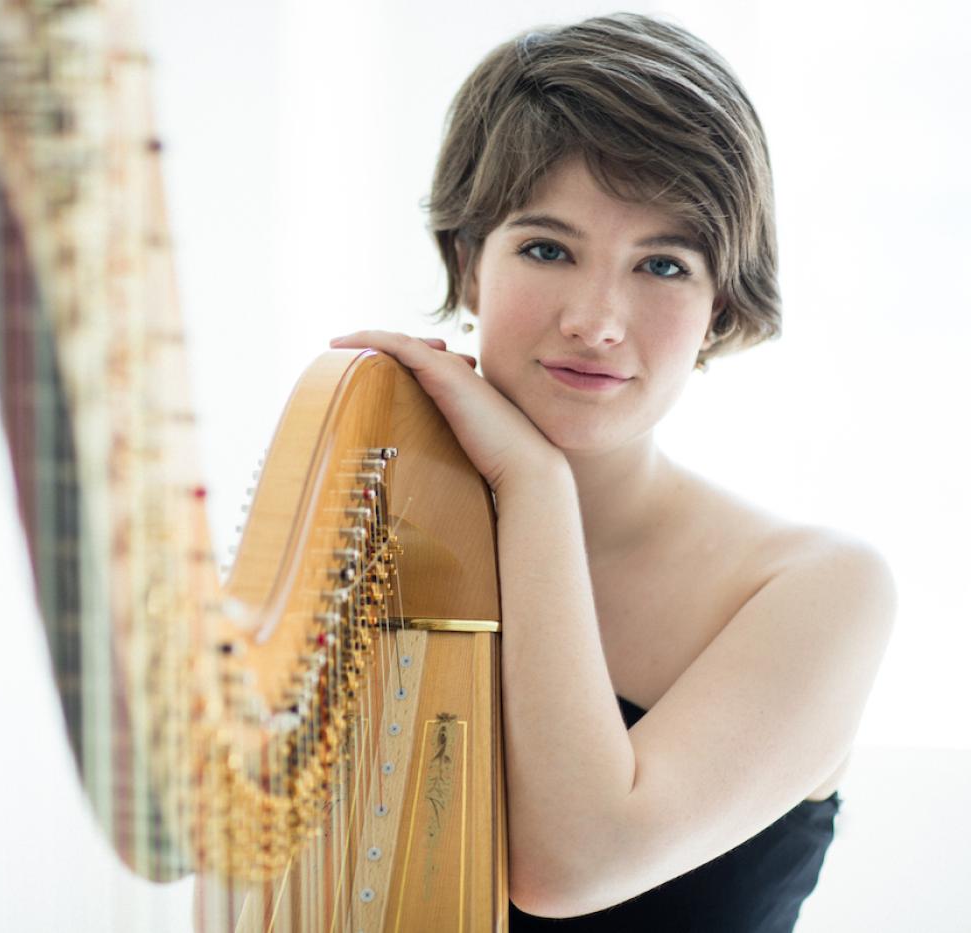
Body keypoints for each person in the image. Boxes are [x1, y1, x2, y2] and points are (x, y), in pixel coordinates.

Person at [329, 13, 895, 931]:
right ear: (471, 265)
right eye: (547, 248)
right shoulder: (372, 534)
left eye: (663, 265)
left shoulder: (821, 587)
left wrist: (535, 482)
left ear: (718, 309)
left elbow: (572, 863)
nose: (597, 320)